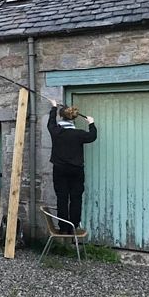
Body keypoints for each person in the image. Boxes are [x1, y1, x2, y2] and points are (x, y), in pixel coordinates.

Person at [47, 100, 97, 234]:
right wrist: (91, 123)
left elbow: (50, 122)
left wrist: (53, 107)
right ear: (73, 119)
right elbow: (92, 136)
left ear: (61, 116)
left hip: (59, 170)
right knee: (76, 198)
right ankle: (74, 227)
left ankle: (63, 228)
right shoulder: (79, 134)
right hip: (76, 170)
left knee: (62, 198)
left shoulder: (56, 132)